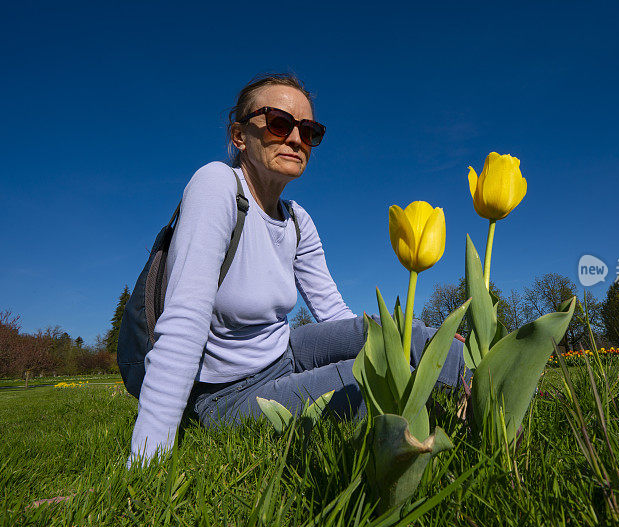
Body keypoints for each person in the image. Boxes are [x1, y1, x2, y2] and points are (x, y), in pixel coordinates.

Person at [128, 73, 468, 464]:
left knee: (392, 332)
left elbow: (332, 312)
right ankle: (454, 417)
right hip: (228, 392)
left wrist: (391, 345)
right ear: (239, 135)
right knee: (370, 387)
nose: (295, 139)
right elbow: (185, 321)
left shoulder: (297, 220)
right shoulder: (216, 185)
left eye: (309, 131)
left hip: (285, 352)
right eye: (279, 123)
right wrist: (147, 458)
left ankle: (495, 396)